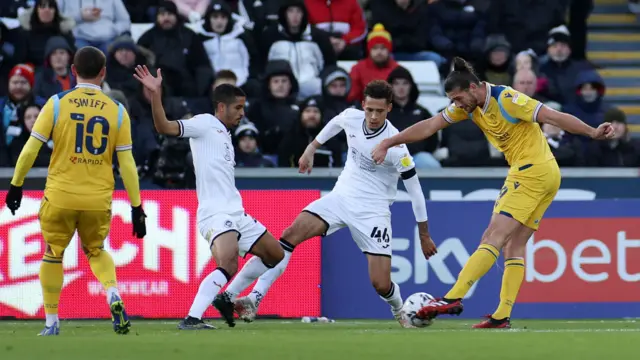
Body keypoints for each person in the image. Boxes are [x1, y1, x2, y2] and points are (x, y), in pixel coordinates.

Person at [371, 57, 615, 329]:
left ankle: (453, 296)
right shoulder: (469, 107)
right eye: (453, 99)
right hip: (545, 173)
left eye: (459, 98)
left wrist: (591, 132)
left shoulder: (508, 99)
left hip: (531, 172)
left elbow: (553, 116)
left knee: (492, 237)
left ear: (474, 88)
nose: (457, 104)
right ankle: (502, 315)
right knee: (515, 245)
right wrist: (390, 141)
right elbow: (429, 125)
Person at [223, 80, 437, 328]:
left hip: (373, 212)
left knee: (380, 283)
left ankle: (399, 308)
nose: (374, 116)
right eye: (370, 110)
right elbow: (336, 123)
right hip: (340, 198)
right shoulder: (352, 117)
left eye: (380, 111)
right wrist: (312, 148)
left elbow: (416, 191)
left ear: (389, 108)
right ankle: (254, 298)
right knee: (290, 235)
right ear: (363, 105)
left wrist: (424, 234)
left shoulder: (397, 147)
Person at [4, 46, 147, 336]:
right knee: (96, 250)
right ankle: (112, 293)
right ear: (104, 73)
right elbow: (127, 164)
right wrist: (136, 207)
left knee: (53, 253)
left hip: (60, 195)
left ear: (73, 71)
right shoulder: (118, 111)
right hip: (97, 197)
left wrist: (16, 185)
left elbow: (31, 149)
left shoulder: (57, 104)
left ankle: (52, 322)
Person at [133, 65, 284, 329]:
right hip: (215, 213)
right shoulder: (204, 123)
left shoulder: (224, 134)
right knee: (227, 262)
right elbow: (164, 126)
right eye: (238, 108)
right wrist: (156, 94)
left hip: (237, 212)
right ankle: (192, 318)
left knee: (275, 254)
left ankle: (227, 297)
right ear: (222, 107)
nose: (242, 113)